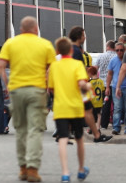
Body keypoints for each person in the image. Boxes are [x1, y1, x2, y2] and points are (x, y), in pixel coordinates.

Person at [0, 16, 55, 183]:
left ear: (21, 29)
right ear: (36, 29)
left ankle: (23, 168)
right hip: (37, 91)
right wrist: (50, 88)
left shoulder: (11, 43)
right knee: (34, 130)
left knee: (21, 130)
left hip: (16, 91)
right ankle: (32, 168)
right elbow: (52, 70)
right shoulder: (45, 45)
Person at [49, 37, 91, 183]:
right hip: (76, 107)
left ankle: (65, 173)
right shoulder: (77, 65)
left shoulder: (54, 66)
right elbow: (81, 83)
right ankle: (81, 169)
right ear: (72, 50)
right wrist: (87, 87)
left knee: (62, 138)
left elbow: (51, 89)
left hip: (60, 107)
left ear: (58, 51)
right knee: (79, 138)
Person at [69, 27, 111, 143]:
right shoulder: (76, 52)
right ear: (79, 36)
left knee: (80, 110)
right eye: (84, 35)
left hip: (73, 85)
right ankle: (97, 136)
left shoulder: (71, 49)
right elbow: (77, 70)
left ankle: (65, 134)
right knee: (89, 110)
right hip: (80, 85)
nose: (85, 37)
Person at [105, 41, 126, 135]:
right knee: (117, 108)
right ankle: (116, 127)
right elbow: (110, 74)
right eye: (117, 50)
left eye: (121, 50)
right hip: (115, 87)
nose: (119, 52)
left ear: (124, 50)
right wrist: (107, 87)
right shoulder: (113, 61)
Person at [95, 41, 115, 129]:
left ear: (107, 47)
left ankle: (101, 123)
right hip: (112, 83)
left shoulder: (101, 56)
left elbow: (95, 69)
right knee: (113, 104)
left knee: (102, 104)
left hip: (102, 83)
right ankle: (111, 122)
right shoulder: (116, 56)